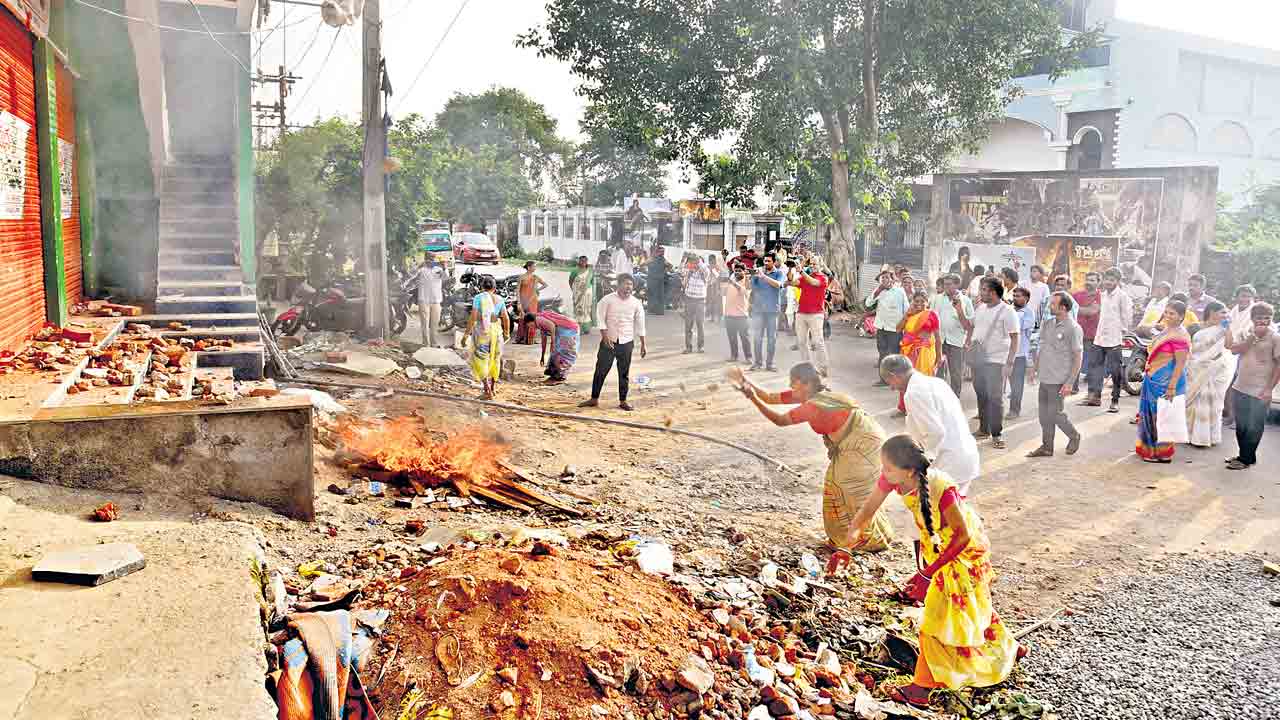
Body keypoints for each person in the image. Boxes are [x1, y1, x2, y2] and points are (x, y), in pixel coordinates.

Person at [833, 435, 1019, 706]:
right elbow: (866, 513)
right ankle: (1011, 647)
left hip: (962, 552)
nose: (883, 473)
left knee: (935, 619)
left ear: (909, 471)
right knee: (973, 603)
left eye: (888, 468)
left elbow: (962, 536)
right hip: (938, 548)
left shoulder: (941, 487)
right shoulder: (893, 479)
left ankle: (921, 688)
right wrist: (846, 547)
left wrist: (926, 574)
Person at [733, 363, 895, 553]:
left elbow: (780, 420)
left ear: (806, 384)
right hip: (860, 443)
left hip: (863, 446)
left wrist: (752, 397)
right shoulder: (814, 396)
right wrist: (745, 380)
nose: (790, 386)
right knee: (841, 489)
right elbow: (769, 397)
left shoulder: (814, 405)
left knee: (849, 490)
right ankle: (857, 536)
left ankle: (865, 540)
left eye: (793, 383)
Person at [880, 355, 980, 496]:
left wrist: (919, 465)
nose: (892, 388)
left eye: (889, 382)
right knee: (955, 506)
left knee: (939, 507)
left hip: (949, 463)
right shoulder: (937, 382)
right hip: (965, 456)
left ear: (894, 376)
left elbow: (935, 433)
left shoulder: (914, 393)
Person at [1026, 292, 1083, 457]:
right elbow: (1042, 348)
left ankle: (1074, 435)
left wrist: (1070, 382)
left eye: (1053, 304)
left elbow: (1078, 357)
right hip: (1045, 376)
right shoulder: (1048, 324)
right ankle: (1047, 447)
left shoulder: (1073, 328)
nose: (1049, 306)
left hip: (1059, 379)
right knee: (1043, 415)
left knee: (1055, 413)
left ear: (1063, 308)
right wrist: (1034, 368)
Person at [966, 277, 1020, 450]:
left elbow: (1015, 338)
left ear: (993, 292)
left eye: (983, 289)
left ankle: (997, 434)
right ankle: (984, 429)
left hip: (997, 361)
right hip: (979, 360)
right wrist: (959, 310)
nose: (980, 293)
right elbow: (969, 326)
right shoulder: (981, 308)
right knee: (981, 394)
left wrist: (1009, 362)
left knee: (995, 398)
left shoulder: (1007, 311)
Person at [1135, 299, 1191, 463]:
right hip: (1153, 378)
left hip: (1166, 382)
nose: (1167, 316)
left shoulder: (1180, 336)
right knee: (1150, 414)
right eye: (1166, 312)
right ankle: (1148, 449)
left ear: (1181, 317)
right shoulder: (1167, 330)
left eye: (1172, 313)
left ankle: (1162, 453)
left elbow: (1180, 364)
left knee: (1162, 416)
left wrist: (1171, 387)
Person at [1225, 302, 1280, 470]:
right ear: (1252, 318)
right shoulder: (1246, 333)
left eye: (1267, 318)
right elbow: (1234, 350)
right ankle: (1244, 455)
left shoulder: (1275, 338)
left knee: (1254, 426)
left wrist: (1269, 389)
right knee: (1241, 425)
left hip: (1260, 390)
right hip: (1241, 385)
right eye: (1259, 318)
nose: (1263, 321)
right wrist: (1252, 337)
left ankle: (1245, 459)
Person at [581, 274, 647, 411]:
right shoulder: (607, 300)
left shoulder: (636, 303)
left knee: (624, 373)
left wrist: (643, 344)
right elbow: (600, 318)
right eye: (626, 283)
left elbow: (640, 324)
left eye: (631, 284)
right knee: (601, 370)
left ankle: (623, 401)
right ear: (619, 284)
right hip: (609, 341)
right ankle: (594, 399)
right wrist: (605, 337)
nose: (628, 287)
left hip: (627, 342)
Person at [1083, 267, 1132, 414]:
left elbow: (1126, 316)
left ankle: (1114, 401)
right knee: (1095, 368)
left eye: (1112, 280)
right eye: (1107, 279)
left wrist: (1122, 333)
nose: (1108, 282)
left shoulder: (1122, 296)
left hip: (1114, 339)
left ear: (1117, 281)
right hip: (1099, 338)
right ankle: (1095, 397)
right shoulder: (1101, 295)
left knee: (1115, 371)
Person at [1185, 301, 1233, 448]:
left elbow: (1229, 345)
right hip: (1196, 368)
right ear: (1212, 312)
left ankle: (1208, 437)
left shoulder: (1223, 329)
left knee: (1212, 404)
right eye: (1222, 312)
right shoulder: (1197, 327)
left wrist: (1228, 329)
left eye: (1226, 313)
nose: (1225, 315)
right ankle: (1191, 435)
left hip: (1215, 370)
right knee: (1196, 402)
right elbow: (1189, 347)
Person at [461, 276, 510, 400]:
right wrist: (506, 333)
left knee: (480, 359)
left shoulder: (478, 298)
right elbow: (505, 317)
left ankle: (487, 390)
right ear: (494, 288)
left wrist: (466, 335)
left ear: (482, 287)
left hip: (482, 332)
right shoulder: (500, 299)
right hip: (496, 331)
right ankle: (492, 388)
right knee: (495, 359)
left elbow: (473, 317)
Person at [930, 274, 974, 397]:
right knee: (938, 371)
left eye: (949, 284)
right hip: (938, 340)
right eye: (945, 284)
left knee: (955, 372)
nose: (946, 287)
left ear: (957, 285)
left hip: (956, 341)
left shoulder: (965, 300)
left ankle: (955, 398)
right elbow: (931, 318)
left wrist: (959, 310)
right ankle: (939, 397)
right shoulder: (936, 299)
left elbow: (969, 326)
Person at [897, 290, 940, 413]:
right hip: (908, 352)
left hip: (925, 352)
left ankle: (922, 409)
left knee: (922, 381)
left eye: (922, 301)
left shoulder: (931, 315)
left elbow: (938, 338)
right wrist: (906, 315)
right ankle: (906, 407)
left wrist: (938, 357)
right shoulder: (909, 314)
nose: (919, 303)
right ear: (912, 301)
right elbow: (898, 329)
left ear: (927, 302)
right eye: (916, 301)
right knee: (907, 379)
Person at [866, 269, 909, 384]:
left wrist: (904, 326)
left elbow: (906, 309)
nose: (884, 279)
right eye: (882, 278)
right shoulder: (879, 290)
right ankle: (883, 379)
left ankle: (897, 380)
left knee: (894, 355)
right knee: (882, 354)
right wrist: (878, 290)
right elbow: (868, 303)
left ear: (892, 279)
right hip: (881, 327)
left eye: (887, 277)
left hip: (895, 328)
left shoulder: (899, 291)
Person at [750, 254, 786, 372]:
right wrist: (753, 276)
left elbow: (778, 285)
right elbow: (753, 288)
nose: (766, 263)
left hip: (772, 311)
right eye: (765, 261)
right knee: (757, 338)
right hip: (758, 310)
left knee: (772, 339)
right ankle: (757, 363)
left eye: (768, 261)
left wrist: (763, 276)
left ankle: (770, 364)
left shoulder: (779, 273)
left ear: (774, 262)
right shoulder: (759, 272)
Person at [794, 262, 831, 376]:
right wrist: (791, 270)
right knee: (801, 342)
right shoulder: (805, 276)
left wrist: (801, 271)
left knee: (817, 342)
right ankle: (807, 368)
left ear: (821, 266)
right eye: (811, 264)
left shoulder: (823, 278)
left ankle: (823, 368)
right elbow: (793, 282)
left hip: (816, 314)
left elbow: (814, 282)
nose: (813, 266)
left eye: (815, 264)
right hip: (801, 313)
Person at [1072, 271, 1102, 395]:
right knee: (1074, 361)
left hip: (1092, 335)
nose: (1089, 282)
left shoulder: (1101, 296)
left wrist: (1076, 309)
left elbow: (1092, 311)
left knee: (1092, 363)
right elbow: (1068, 309)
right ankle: (1073, 387)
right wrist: (1083, 309)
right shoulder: (1076, 295)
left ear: (1098, 282)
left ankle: (1092, 393)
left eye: (1092, 280)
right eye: (1087, 280)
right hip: (1076, 333)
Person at [1007, 287, 1035, 419]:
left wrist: (1011, 314)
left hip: (1019, 353)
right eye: (1014, 296)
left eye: (1018, 296)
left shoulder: (1029, 313)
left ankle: (1014, 410)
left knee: (1016, 384)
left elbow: (1018, 327)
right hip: (1005, 352)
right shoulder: (1009, 309)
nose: (1015, 298)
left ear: (1026, 298)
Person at [535, 310, 579, 384]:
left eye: (529, 325)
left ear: (530, 321)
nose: (530, 327)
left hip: (568, 330)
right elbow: (544, 341)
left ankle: (560, 376)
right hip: (565, 330)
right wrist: (542, 356)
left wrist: (552, 343)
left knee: (563, 353)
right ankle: (555, 374)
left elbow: (552, 326)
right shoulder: (539, 323)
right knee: (556, 351)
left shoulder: (538, 319)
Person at [681, 253, 713, 353]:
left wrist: (698, 260)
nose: (690, 264)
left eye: (693, 262)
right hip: (689, 299)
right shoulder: (689, 271)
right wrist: (684, 259)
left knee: (700, 325)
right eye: (690, 262)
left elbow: (706, 270)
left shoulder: (704, 273)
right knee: (688, 325)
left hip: (700, 301)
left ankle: (700, 347)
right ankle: (688, 347)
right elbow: (680, 270)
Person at [414, 252, 446, 347]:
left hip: (436, 300)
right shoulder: (421, 269)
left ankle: (434, 343)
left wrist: (444, 268)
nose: (431, 260)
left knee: (434, 324)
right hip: (423, 300)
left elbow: (446, 278)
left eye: (433, 258)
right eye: (429, 258)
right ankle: (425, 343)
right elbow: (411, 275)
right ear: (425, 258)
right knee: (424, 323)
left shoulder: (439, 269)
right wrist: (418, 266)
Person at [722, 265, 752, 363]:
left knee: (745, 338)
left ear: (744, 271)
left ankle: (748, 357)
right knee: (732, 338)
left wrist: (733, 283)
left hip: (741, 316)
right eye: (735, 271)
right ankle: (734, 356)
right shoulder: (731, 281)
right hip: (729, 314)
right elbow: (723, 293)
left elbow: (744, 292)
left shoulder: (746, 281)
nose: (737, 272)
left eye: (739, 271)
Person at [568, 255, 594, 334]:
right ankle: (579, 328)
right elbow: (570, 281)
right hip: (578, 294)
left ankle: (586, 328)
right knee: (579, 310)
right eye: (581, 261)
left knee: (587, 310)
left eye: (585, 261)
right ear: (579, 261)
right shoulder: (575, 271)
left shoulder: (590, 271)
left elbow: (592, 282)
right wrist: (574, 290)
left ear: (587, 261)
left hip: (588, 294)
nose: (583, 262)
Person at [646, 247, 669, 316]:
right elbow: (643, 264)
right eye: (661, 251)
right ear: (657, 252)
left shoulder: (663, 259)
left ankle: (659, 311)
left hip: (659, 280)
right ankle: (652, 310)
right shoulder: (652, 258)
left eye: (663, 251)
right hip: (652, 280)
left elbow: (669, 265)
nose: (662, 253)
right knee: (653, 295)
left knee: (659, 295)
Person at [706, 254, 723, 325]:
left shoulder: (717, 267)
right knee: (711, 302)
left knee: (717, 303)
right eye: (710, 260)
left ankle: (719, 318)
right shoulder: (708, 267)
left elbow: (718, 276)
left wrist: (712, 269)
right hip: (709, 286)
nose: (710, 262)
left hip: (716, 286)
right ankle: (712, 317)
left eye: (712, 260)